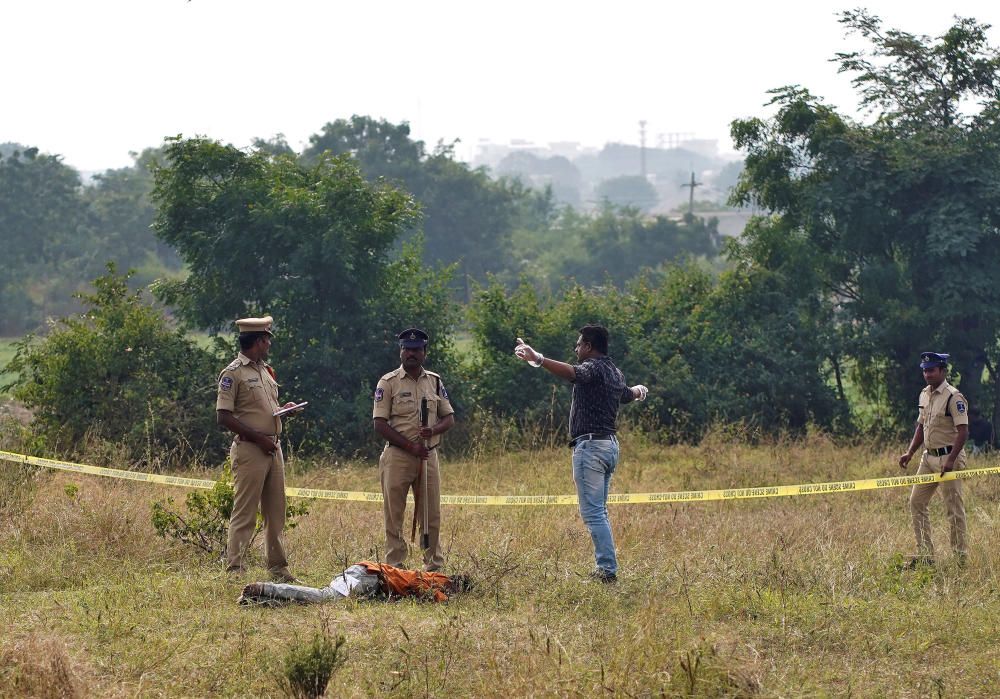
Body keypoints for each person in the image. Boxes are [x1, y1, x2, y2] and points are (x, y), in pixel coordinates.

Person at [514, 325, 648, 583]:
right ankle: (607, 568)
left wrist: (538, 359)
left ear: (588, 346)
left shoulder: (592, 368)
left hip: (591, 448)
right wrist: (640, 391)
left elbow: (572, 373)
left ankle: (607, 571)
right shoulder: (614, 371)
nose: (576, 349)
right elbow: (626, 396)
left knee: (593, 514)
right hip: (610, 446)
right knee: (601, 511)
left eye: (578, 345)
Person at [216, 315, 302, 582]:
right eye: (266, 340)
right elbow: (224, 416)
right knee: (245, 511)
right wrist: (258, 438)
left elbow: (264, 410)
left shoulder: (266, 371)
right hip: (251, 450)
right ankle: (235, 570)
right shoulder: (232, 373)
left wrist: (284, 411)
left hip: (273, 448)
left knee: (276, 512)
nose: (268, 345)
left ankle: (279, 569)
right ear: (256, 341)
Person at [373, 328, 455, 571]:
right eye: (407, 349)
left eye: (416, 349)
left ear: (424, 353)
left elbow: (449, 418)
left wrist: (434, 430)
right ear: (400, 352)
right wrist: (410, 446)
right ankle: (396, 565)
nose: (411, 353)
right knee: (394, 514)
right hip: (398, 456)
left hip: (428, 457)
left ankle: (433, 565)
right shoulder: (387, 383)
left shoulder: (435, 381)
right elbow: (379, 424)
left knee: (431, 514)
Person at [897, 351, 969, 568]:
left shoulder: (953, 396)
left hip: (950, 459)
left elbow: (963, 431)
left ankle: (959, 558)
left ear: (942, 371)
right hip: (928, 458)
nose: (927, 374)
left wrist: (951, 460)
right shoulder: (924, 395)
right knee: (916, 502)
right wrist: (910, 452)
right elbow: (921, 426)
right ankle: (925, 557)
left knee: (953, 509)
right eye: (925, 370)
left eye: (931, 370)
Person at [237, 562, 473, 606]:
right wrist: (448, 600)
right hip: (368, 577)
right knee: (325, 597)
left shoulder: (437, 579)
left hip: (365, 577)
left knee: (321, 603)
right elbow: (438, 600)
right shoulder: (441, 582)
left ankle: (255, 601)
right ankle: (264, 588)